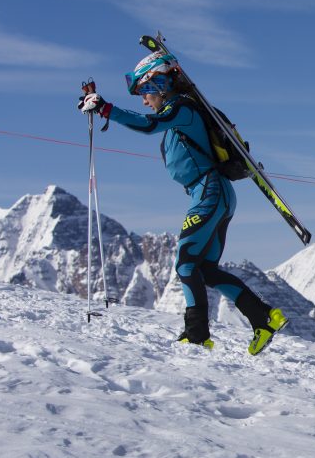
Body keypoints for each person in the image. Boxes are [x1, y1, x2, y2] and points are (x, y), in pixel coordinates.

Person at [77, 51, 287, 355]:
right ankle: (264, 318)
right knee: (206, 270)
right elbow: (154, 125)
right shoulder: (180, 113)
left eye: (143, 92)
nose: (144, 100)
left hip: (208, 193)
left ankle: (197, 335)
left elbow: (148, 125)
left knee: (186, 264)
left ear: (157, 84)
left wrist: (106, 108)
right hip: (216, 193)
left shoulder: (181, 109)